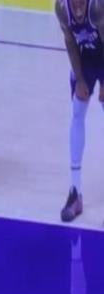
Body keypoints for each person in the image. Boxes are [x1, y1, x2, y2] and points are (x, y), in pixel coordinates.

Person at [55, 0, 104, 222]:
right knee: (77, 112)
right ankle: (75, 192)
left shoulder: (97, 8)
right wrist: (81, 79)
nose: (77, 8)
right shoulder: (61, 9)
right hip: (86, 58)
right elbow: (70, 42)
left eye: (80, 3)